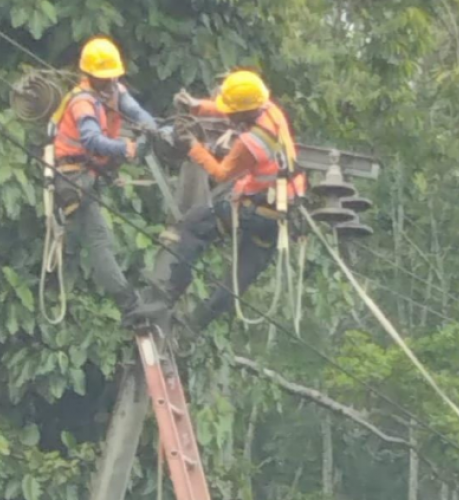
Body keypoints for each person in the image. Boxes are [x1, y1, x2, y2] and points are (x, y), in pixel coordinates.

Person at [133, 70, 306, 332]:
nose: (228, 115)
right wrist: (197, 106)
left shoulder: (251, 143)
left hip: (254, 210)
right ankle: (193, 326)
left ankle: (166, 297)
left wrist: (193, 146)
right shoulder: (270, 111)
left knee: (192, 227)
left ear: (243, 113)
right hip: (282, 210)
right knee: (238, 280)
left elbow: (220, 172)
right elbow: (233, 110)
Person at [51, 36, 166, 328]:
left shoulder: (115, 91)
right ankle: (131, 307)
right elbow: (91, 138)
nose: (110, 81)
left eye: (112, 76)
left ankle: (131, 303)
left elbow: (137, 113)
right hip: (73, 177)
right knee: (100, 241)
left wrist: (151, 129)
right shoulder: (82, 101)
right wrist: (124, 149)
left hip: (91, 173)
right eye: (104, 78)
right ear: (89, 76)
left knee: (104, 240)